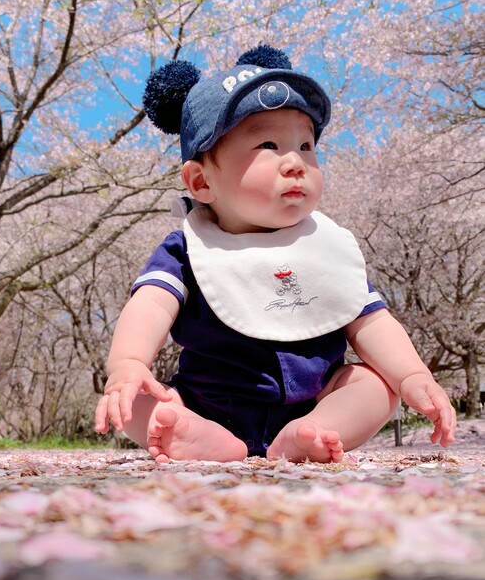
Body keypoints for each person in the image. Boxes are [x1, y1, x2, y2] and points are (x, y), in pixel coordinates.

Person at [94, 44, 456, 463]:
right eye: (268, 144)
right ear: (201, 182)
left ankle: (312, 433)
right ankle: (198, 436)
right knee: (142, 399)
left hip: (314, 402)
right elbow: (151, 302)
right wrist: (128, 362)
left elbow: (371, 320)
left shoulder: (326, 247)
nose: (295, 163)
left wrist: (412, 374)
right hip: (206, 404)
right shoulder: (190, 248)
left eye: (305, 145)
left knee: (375, 384)